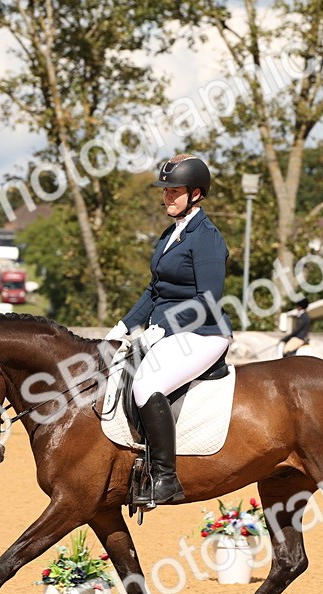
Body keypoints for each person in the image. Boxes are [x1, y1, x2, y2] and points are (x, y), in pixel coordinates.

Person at [104, 153, 232, 507]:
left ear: (196, 194)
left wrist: (162, 328)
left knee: (146, 385)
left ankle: (165, 477)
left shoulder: (207, 237)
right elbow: (154, 289)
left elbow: (209, 299)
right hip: (168, 331)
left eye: (174, 191)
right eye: (165, 190)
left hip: (204, 333)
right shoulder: (169, 234)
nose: (166, 196)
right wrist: (123, 326)